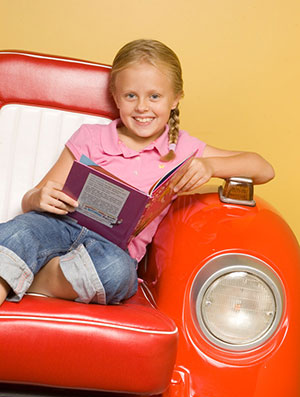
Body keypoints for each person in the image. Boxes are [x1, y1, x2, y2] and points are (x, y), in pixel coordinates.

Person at [0, 39, 274, 307]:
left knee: (117, 273)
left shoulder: (183, 150)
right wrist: (38, 198)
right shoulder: (91, 137)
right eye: (131, 96)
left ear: (175, 99)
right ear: (116, 97)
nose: (142, 107)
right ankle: (20, 270)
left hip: (111, 249)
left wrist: (212, 166)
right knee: (19, 232)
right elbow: (33, 198)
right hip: (58, 226)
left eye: (154, 96)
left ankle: (35, 277)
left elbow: (263, 168)